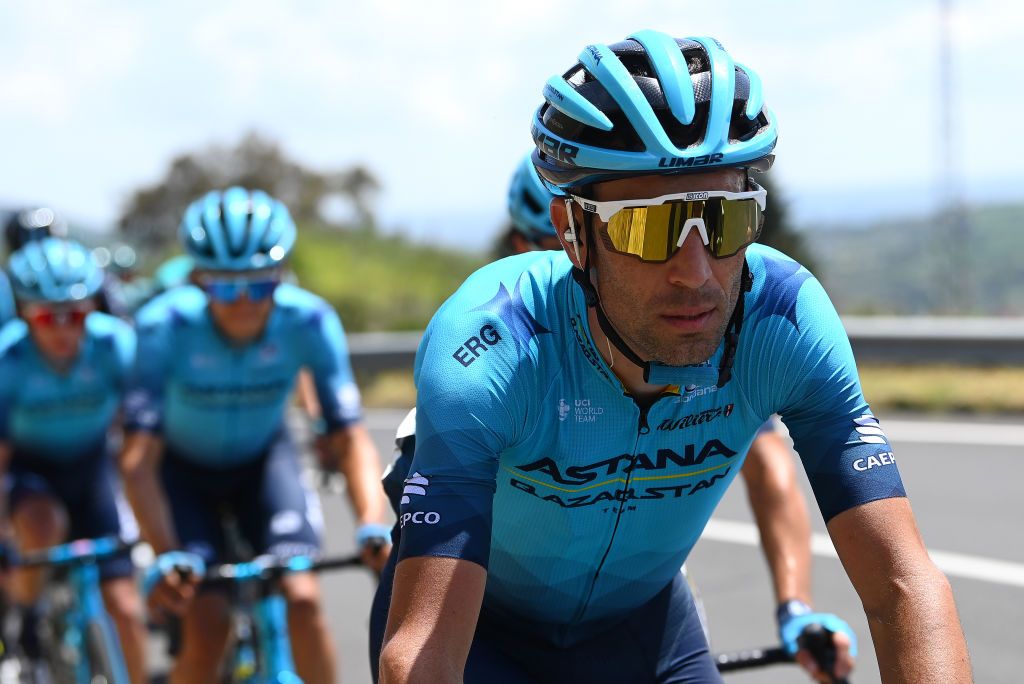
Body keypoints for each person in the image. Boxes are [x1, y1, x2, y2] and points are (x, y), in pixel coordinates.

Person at [376, 32, 971, 683]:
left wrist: (794, 605)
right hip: (482, 634)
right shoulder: (494, 347)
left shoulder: (783, 321)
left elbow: (904, 586)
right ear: (574, 233)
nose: (697, 275)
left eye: (725, 221)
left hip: (643, 630)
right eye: (647, 228)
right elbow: (425, 655)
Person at [121, 187, 391, 684]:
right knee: (207, 626)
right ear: (199, 279)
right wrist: (164, 551)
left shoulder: (308, 320)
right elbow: (138, 461)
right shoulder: (164, 327)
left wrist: (372, 524)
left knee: (304, 600)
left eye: (261, 285)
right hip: (183, 474)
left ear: (281, 276)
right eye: (225, 287)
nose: (243, 302)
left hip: (264, 464)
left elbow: (350, 436)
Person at [0, 237, 148, 683]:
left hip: (91, 467)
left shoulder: (115, 345)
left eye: (77, 314)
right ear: (24, 313)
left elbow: (138, 433)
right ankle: (26, 616)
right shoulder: (9, 359)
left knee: (125, 607)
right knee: (42, 527)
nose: (64, 330)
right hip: (30, 469)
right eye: (47, 316)